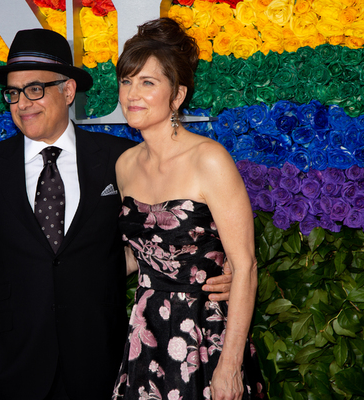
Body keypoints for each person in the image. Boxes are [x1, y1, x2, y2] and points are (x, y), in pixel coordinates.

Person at [0, 27, 233, 400]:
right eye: (13, 93)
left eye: (35, 89)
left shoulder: (122, 159)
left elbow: (161, 235)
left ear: (67, 91)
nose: (22, 102)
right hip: (6, 371)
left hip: (102, 367)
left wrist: (214, 272)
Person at [111, 18, 267, 400]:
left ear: (177, 95)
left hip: (205, 334)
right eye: (127, 81)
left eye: (148, 83)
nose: (132, 93)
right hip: (145, 335)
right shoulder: (125, 165)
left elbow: (244, 265)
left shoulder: (209, 160)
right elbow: (138, 254)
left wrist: (229, 365)